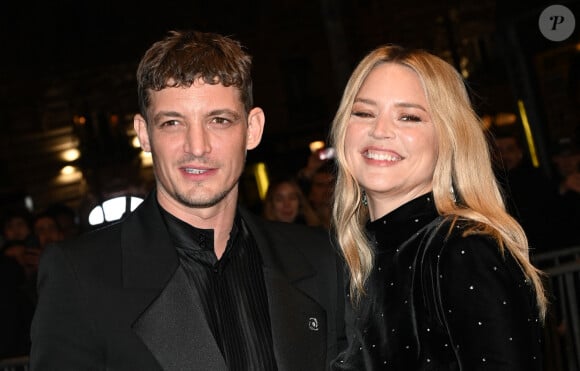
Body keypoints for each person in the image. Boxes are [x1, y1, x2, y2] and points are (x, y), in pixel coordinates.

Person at [30, 30, 345, 371]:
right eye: (172, 123)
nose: (197, 146)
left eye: (219, 120)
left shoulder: (321, 259)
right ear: (144, 134)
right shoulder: (81, 276)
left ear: (252, 129)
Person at [328, 45, 547, 370]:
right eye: (364, 112)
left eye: (408, 117)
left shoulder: (463, 250)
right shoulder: (360, 258)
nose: (380, 131)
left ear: (449, 137)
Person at [491, 126, 560, 254]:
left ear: (519, 152)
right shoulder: (490, 183)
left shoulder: (536, 178)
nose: (504, 155)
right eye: (499, 151)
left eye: (509, 150)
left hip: (541, 246)